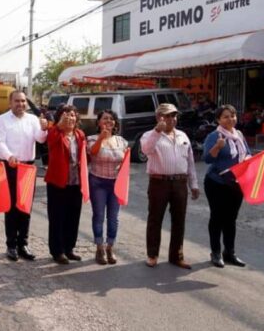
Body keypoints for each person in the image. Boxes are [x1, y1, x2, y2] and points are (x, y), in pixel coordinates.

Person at [140, 103, 200, 269]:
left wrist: (193, 184)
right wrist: (157, 132)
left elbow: (190, 162)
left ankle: (176, 256)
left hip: (179, 182)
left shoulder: (182, 136)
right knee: (155, 219)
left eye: (173, 116)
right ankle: (152, 255)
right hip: (159, 182)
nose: (171, 119)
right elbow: (146, 150)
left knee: (179, 220)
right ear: (158, 117)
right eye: (167, 116)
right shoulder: (149, 135)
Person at [0, 90, 48, 261]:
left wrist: (44, 128)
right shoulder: (2, 120)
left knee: (25, 207)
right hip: (10, 166)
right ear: (10, 103)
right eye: (17, 101)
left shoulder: (32, 120)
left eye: (23, 101)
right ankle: (11, 245)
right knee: (11, 208)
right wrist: (9, 156)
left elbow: (40, 139)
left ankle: (23, 243)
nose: (21, 104)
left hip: (28, 167)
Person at [203, 104, 249, 268]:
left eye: (233, 115)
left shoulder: (239, 135)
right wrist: (217, 146)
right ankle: (215, 253)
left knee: (231, 219)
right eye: (226, 116)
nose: (231, 119)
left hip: (236, 184)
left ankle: (229, 252)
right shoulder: (214, 136)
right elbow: (207, 159)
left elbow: (247, 154)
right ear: (218, 120)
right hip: (217, 183)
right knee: (217, 218)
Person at [87, 110, 129, 265]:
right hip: (97, 182)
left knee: (114, 218)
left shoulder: (122, 141)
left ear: (115, 123)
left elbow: (125, 163)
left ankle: (110, 246)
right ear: (99, 122)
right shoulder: (91, 138)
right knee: (98, 216)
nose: (108, 121)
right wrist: (101, 138)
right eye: (105, 119)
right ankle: (99, 247)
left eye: (111, 119)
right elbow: (92, 152)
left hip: (115, 184)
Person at [44, 105, 85, 265]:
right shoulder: (54, 133)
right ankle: (57, 250)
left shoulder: (80, 135)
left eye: (73, 115)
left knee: (73, 216)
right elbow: (51, 140)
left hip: (76, 182)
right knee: (57, 217)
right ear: (59, 117)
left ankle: (69, 248)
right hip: (57, 182)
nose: (70, 118)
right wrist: (59, 125)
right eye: (66, 115)